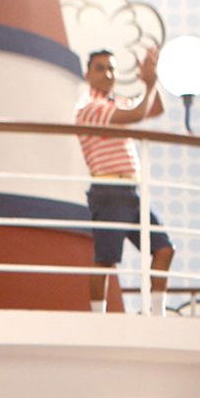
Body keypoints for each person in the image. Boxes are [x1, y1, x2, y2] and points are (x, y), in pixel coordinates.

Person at [76, 49, 173, 314]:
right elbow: (138, 113)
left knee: (163, 249)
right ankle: (99, 317)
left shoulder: (111, 104)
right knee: (106, 258)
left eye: (111, 68)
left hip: (129, 191)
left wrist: (152, 80)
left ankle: (157, 312)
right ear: (87, 74)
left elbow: (155, 108)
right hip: (108, 190)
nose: (107, 74)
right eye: (100, 68)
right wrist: (149, 83)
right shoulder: (90, 108)